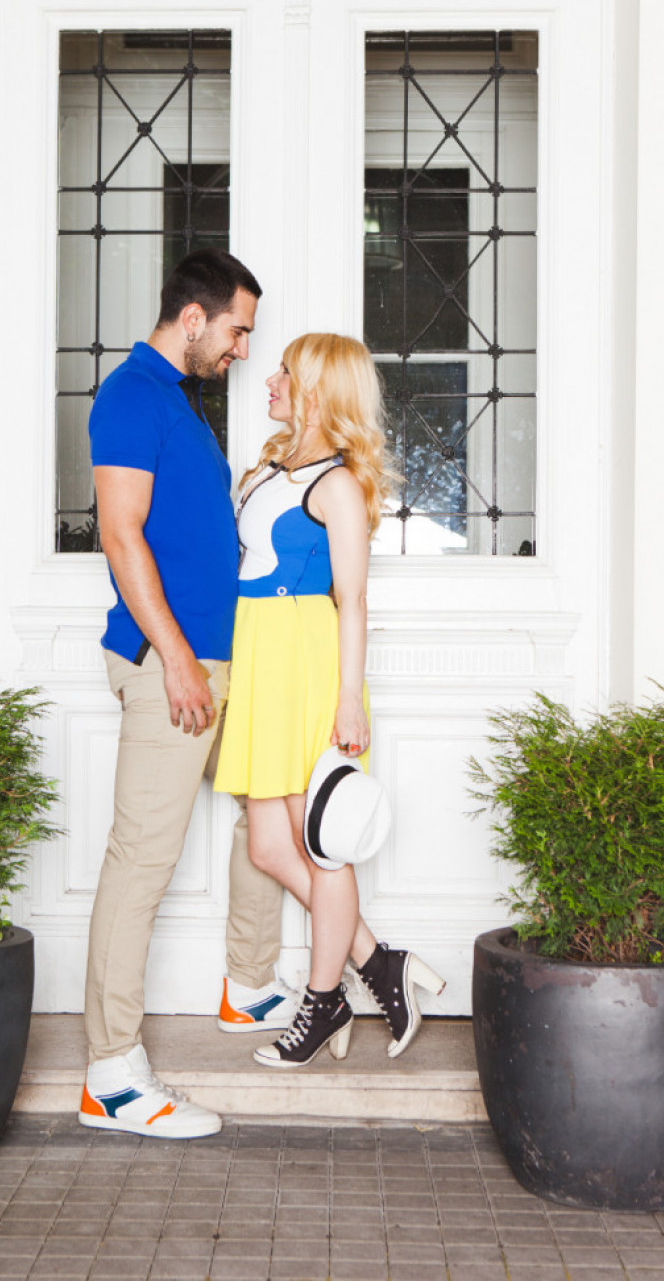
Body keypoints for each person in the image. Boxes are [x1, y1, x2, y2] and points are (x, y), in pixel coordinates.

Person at [78, 248, 295, 1140]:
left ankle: (250, 983)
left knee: (269, 808)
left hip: (218, 661)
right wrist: (174, 657)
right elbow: (121, 534)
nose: (243, 349)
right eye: (238, 331)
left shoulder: (179, 403)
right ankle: (111, 1075)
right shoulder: (132, 396)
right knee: (141, 858)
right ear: (195, 317)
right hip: (171, 665)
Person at [214, 332, 446, 1068]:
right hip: (260, 658)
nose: (270, 381)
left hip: (305, 662)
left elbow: (353, 599)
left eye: (286, 372)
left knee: (320, 843)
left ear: (317, 392)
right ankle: (379, 964)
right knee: (267, 844)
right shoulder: (268, 468)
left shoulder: (338, 485)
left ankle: (322, 1000)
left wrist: (349, 699)